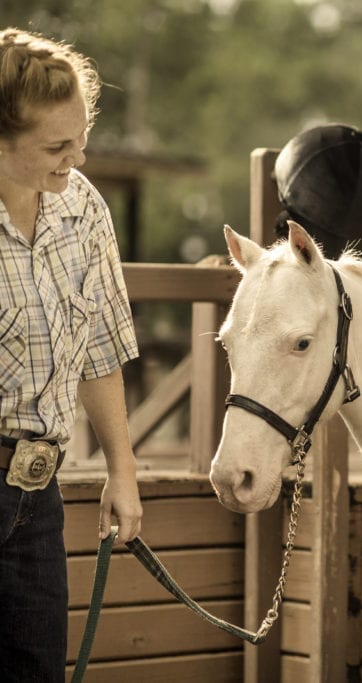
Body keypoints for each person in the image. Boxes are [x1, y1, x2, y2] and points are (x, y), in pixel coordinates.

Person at [0, 27, 143, 680]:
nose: (75, 158)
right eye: (56, 146)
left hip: (38, 492)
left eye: (81, 137)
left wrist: (123, 466)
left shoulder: (81, 207)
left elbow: (102, 346)